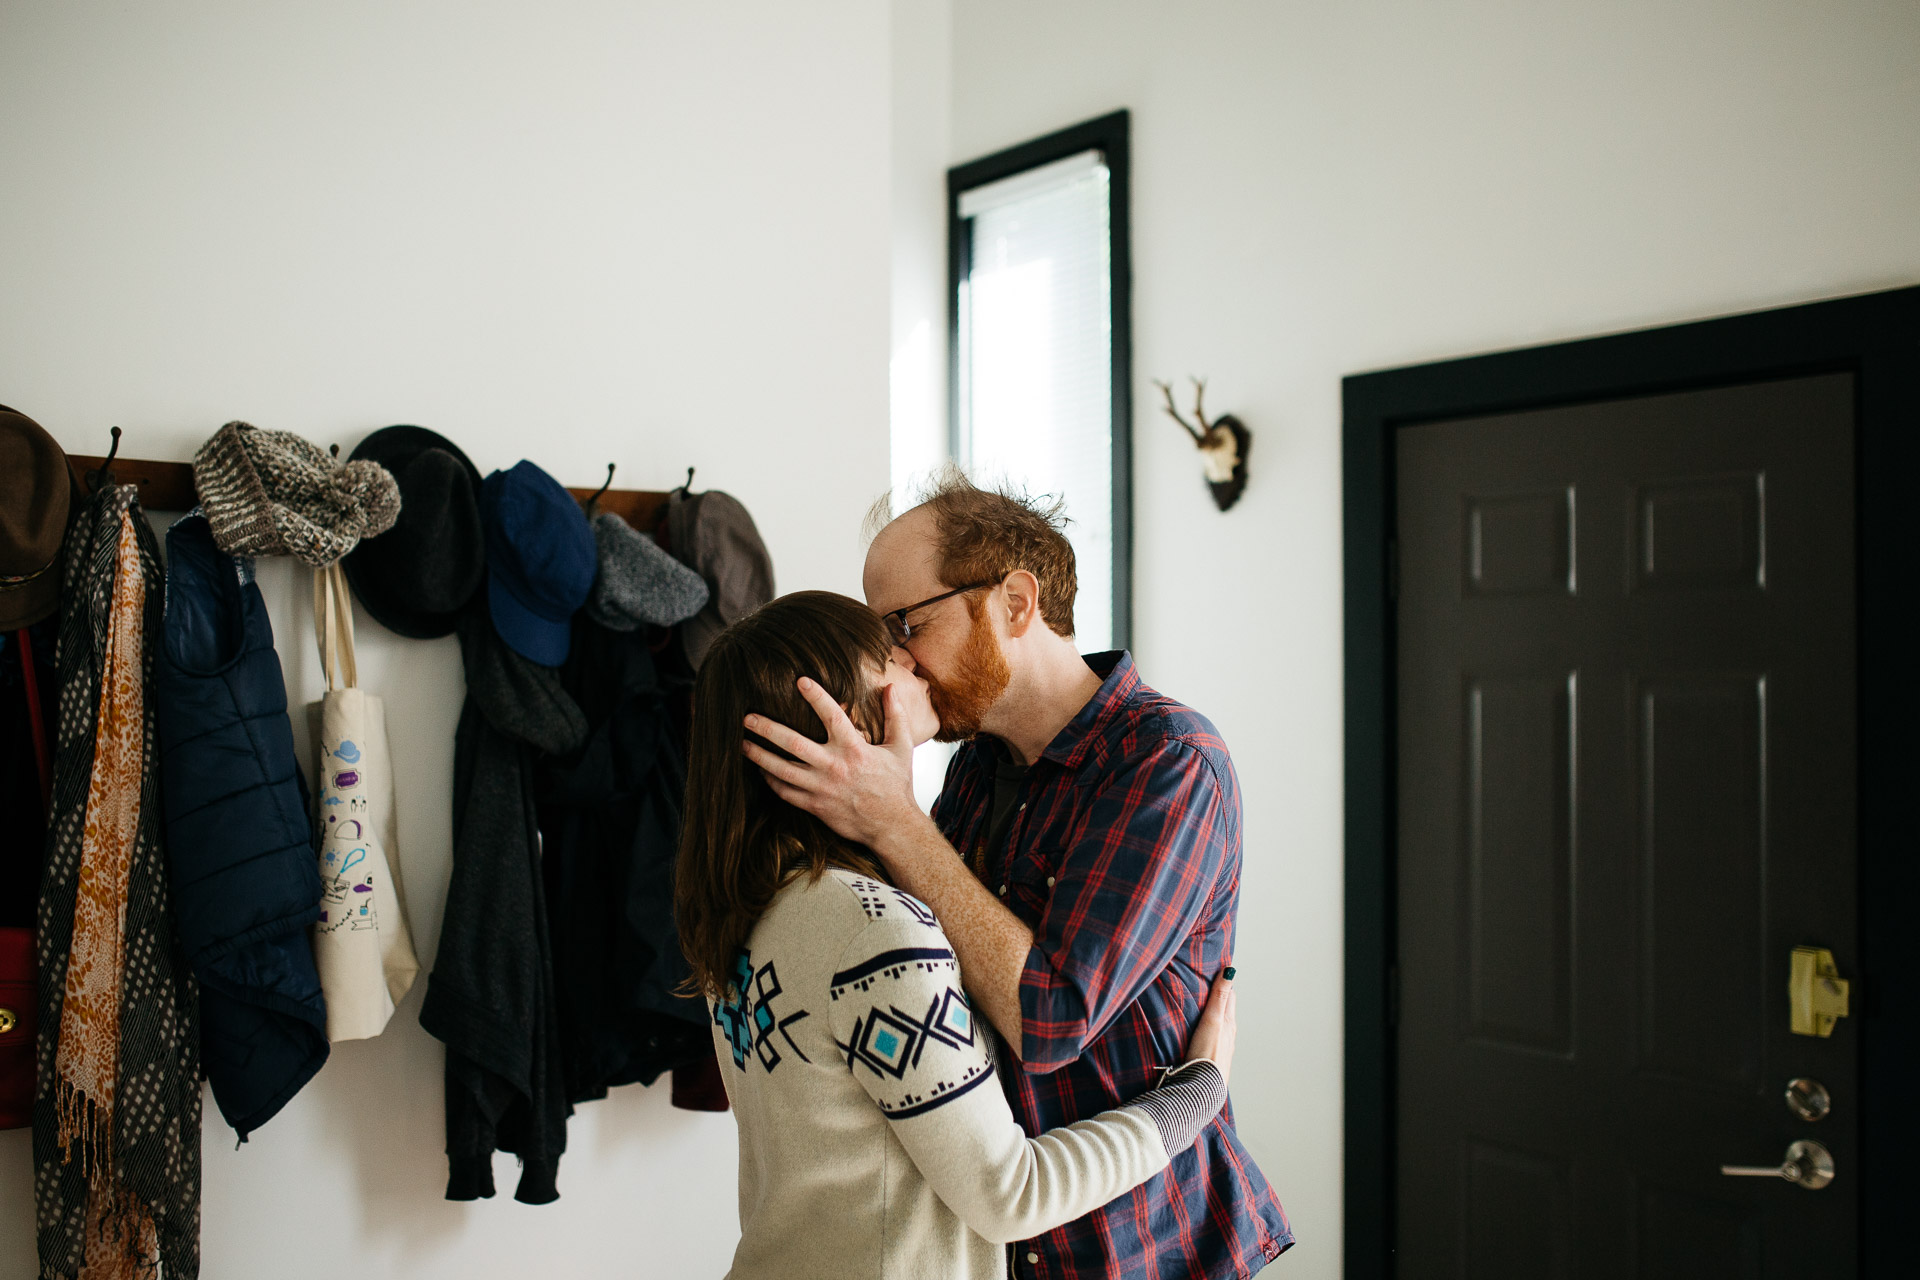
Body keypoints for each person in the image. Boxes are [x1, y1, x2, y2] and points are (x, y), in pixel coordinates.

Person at [742, 475, 1292, 1279]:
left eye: (906, 624)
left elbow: (1047, 1020)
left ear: (1015, 602)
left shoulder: (1168, 762)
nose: (892, 658)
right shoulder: (975, 769)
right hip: (1008, 1237)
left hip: (1138, 1248)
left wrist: (896, 820)